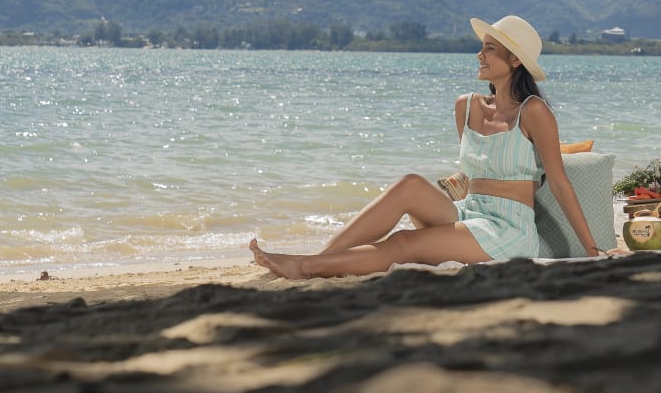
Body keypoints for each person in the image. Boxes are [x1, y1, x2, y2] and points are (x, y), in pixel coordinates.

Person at [250, 15, 605, 279]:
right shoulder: (466, 107)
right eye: (481, 47)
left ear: (515, 61)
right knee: (409, 185)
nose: (479, 55)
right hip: (468, 213)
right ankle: (317, 259)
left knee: (404, 242)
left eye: (490, 49)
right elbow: (476, 170)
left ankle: (305, 267)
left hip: (506, 231)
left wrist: (592, 250)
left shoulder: (534, 111)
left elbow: (559, 183)